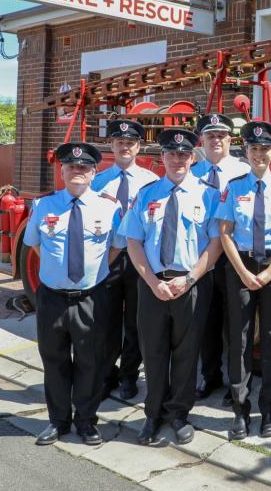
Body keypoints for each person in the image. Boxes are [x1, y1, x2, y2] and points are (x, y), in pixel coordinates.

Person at [118, 128, 223, 446]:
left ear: (193, 157)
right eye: (171, 153)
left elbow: (216, 244)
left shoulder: (209, 195)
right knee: (153, 352)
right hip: (153, 286)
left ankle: (178, 414)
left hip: (191, 283)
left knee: (187, 354)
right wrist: (151, 282)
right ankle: (152, 415)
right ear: (161, 157)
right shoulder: (147, 194)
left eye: (183, 154)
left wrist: (189, 278)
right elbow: (133, 242)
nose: (177, 159)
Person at [24, 142, 122, 447]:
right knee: (54, 361)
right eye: (71, 167)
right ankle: (58, 421)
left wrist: (92, 273)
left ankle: (86, 421)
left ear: (94, 173)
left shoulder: (110, 207)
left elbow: (117, 247)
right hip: (52, 297)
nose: (77, 171)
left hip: (90, 297)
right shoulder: (43, 206)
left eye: (83, 168)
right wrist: (58, 272)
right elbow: (36, 245)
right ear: (62, 171)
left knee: (90, 362)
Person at [215, 121, 271, 440]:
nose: (259, 154)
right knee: (238, 339)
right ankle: (240, 411)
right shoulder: (234, 187)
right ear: (246, 151)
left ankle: (268, 409)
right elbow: (224, 232)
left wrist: (268, 272)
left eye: (265, 149)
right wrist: (243, 271)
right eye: (253, 148)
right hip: (241, 263)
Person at [91, 119, 158, 401]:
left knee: (135, 321)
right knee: (105, 320)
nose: (125, 147)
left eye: (130, 142)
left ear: (138, 146)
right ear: (112, 145)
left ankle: (129, 376)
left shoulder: (151, 181)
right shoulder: (97, 181)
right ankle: (107, 374)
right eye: (119, 142)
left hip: (139, 258)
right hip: (108, 257)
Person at [192, 113, 251, 405]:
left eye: (221, 136)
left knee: (235, 324)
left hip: (233, 256)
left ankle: (235, 383)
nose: (215, 140)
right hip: (202, 258)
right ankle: (210, 376)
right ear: (202, 140)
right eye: (210, 136)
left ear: (231, 139)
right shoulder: (192, 172)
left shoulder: (244, 170)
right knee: (206, 321)